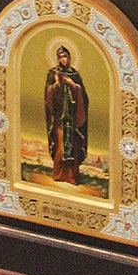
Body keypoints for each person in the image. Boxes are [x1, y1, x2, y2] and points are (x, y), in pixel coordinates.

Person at [44, 44, 89, 185]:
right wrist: (57, 84)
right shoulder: (52, 73)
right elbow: (48, 94)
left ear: (69, 58)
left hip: (73, 118)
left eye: (65, 57)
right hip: (60, 118)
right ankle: (59, 174)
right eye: (61, 57)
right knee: (60, 146)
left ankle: (71, 176)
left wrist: (73, 85)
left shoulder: (75, 75)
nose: (63, 60)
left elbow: (84, 96)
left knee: (73, 146)